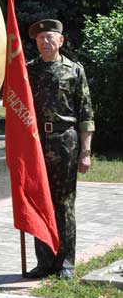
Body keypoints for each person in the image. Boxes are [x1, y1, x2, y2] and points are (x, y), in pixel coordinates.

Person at [26, 19, 95, 280]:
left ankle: (65, 262)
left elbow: (86, 114)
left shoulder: (74, 71)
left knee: (64, 203)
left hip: (65, 142)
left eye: (49, 37)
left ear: (60, 41)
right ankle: (44, 262)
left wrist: (85, 152)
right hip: (36, 143)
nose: (45, 42)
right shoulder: (28, 71)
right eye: (40, 38)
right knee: (38, 202)